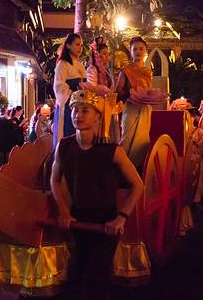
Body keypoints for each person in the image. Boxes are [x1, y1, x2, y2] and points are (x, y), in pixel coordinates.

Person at [51, 89, 144, 300]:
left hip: (106, 221)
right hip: (78, 218)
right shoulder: (64, 147)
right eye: (75, 110)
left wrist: (121, 217)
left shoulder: (112, 150)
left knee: (95, 278)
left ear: (98, 117)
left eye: (85, 110)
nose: (78, 115)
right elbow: (54, 180)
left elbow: (138, 185)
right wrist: (63, 210)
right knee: (79, 274)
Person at [116, 36, 153, 169]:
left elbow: (148, 89)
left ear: (145, 51)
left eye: (141, 49)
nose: (138, 52)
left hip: (145, 109)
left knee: (142, 141)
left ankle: (137, 171)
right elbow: (117, 91)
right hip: (131, 108)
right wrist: (130, 93)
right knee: (127, 139)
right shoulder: (126, 70)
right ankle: (121, 169)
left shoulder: (148, 71)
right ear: (131, 52)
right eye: (135, 49)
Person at [53, 33, 86, 146]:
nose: (80, 48)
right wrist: (74, 94)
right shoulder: (62, 64)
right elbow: (59, 86)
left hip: (80, 105)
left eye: (81, 45)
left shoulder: (80, 65)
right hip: (67, 105)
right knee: (67, 137)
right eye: (77, 44)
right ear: (68, 45)